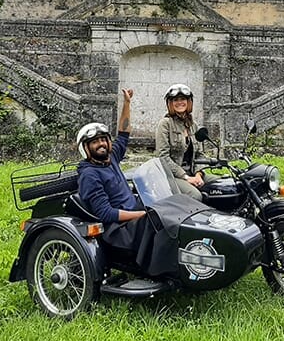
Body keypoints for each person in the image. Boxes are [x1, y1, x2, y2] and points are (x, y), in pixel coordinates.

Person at [76, 89, 146, 257]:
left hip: (133, 212)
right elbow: (106, 213)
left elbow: (123, 133)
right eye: (94, 142)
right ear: (85, 148)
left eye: (103, 139)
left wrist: (127, 104)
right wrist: (143, 215)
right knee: (159, 222)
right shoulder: (89, 175)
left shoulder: (111, 157)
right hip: (118, 229)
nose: (101, 144)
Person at [154, 83, 214, 201]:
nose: (179, 102)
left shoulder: (193, 125)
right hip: (172, 176)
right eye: (175, 99)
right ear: (170, 103)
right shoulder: (165, 124)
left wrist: (198, 174)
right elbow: (163, 157)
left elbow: (199, 154)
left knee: (224, 184)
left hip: (192, 172)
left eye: (183, 99)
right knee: (195, 196)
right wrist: (186, 177)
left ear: (189, 102)